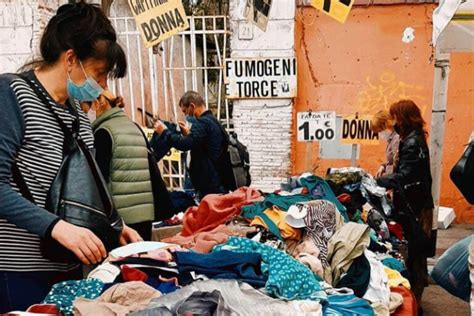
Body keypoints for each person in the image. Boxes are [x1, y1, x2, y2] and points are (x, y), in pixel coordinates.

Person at [0, 2, 140, 312]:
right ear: (71, 59)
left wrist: (117, 226)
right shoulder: (12, 96)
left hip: (69, 266)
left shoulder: (77, 113)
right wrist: (57, 227)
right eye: (100, 74)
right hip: (18, 272)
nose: (103, 87)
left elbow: (86, 180)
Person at [376, 100, 435, 309]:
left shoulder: (412, 142)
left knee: (417, 252)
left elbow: (405, 176)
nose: (394, 122)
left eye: (396, 117)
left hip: (417, 207)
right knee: (414, 251)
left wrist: (378, 181)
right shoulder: (411, 138)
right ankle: (415, 298)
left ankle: (416, 303)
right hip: (414, 203)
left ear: (403, 117)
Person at [87, 90, 155, 241]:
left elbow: (99, 179)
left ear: (100, 103)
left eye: (90, 105)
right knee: (142, 262)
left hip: (121, 221)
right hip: (145, 215)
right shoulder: (135, 127)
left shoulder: (103, 132)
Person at [153, 91, 230, 199]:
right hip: (216, 180)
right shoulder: (213, 121)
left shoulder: (202, 122)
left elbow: (184, 145)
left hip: (210, 184)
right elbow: (202, 144)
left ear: (192, 106)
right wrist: (188, 134)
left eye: (185, 111)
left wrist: (165, 132)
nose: (185, 115)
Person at [371, 110, 400, 177]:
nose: (380, 134)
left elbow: (397, 164)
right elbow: (391, 160)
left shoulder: (396, 139)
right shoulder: (391, 139)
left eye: (380, 131)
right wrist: (383, 166)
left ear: (386, 125)